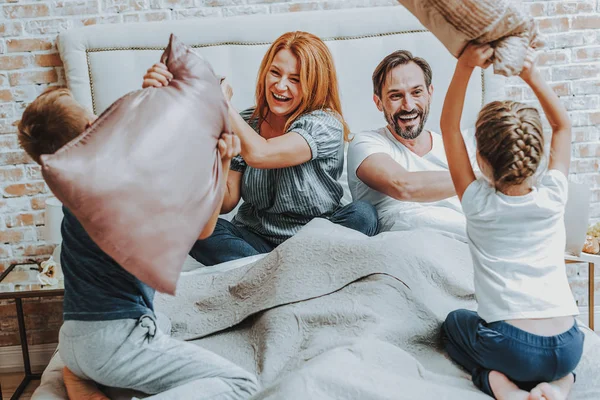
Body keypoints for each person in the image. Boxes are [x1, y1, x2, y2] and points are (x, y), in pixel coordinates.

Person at [17, 87, 259, 399]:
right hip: (111, 343)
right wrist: (223, 159)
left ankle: (81, 376)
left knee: (162, 319)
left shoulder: (73, 186)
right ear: (92, 129)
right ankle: (93, 376)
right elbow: (204, 229)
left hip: (75, 337)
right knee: (242, 386)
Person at [143, 31, 379, 266]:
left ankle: (265, 274)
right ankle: (283, 272)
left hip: (318, 238)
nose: (281, 85)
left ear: (314, 84)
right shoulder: (245, 122)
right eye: (275, 72)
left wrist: (222, 104)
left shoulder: (325, 123)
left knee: (363, 214)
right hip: (255, 240)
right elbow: (226, 201)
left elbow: (260, 153)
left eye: (296, 79)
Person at [439, 44, 584, 400]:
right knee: (559, 364)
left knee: (454, 325)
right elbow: (562, 126)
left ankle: (503, 387)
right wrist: (529, 72)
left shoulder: (477, 203)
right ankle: (561, 386)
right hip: (568, 344)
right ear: (536, 158)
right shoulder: (553, 195)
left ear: (482, 161)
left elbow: (448, 127)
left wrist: (465, 65)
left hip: (511, 347)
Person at [347, 50, 472, 243]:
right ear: (378, 102)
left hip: (466, 247)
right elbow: (403, 185)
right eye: (396, 96)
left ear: (429, 93)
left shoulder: (459, 150)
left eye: (417, 92)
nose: (408, 106)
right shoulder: (366, 143)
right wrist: (478, 179)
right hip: (404, 251)